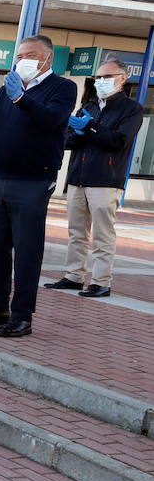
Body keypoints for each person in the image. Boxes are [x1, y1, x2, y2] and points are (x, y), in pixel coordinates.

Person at [0, 34, 77, 338]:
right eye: (20, 55)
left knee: (26, 248)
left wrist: (20, 98)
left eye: (31, 55)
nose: (23, 60)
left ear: (48, 58)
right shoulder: (6, 89)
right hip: (1, 176)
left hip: (34, 178)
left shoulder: (62, 87)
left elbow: (51, 119)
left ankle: (22, 314)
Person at [46, 56, 143, 299]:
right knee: (76, 232)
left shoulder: (131, 109)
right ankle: (73, 276)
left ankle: (101, 282)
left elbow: (119, 141)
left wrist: (89, 128)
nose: (101, 81)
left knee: (102, 234)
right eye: (98, 77)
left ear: (123, 78)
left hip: (105, 180)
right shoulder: (87, 107)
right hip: (78, 177)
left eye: (107, 76)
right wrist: (78, 132)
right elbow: (67, 140)